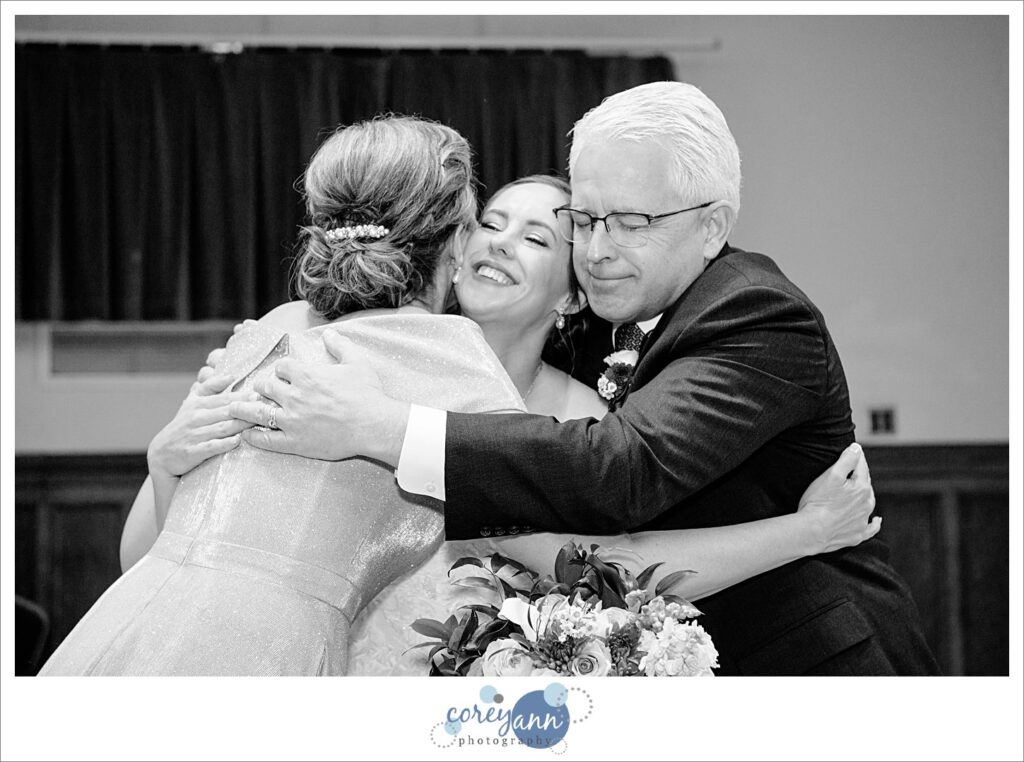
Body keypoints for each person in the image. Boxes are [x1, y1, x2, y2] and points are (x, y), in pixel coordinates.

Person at [232, 83, 941, 675]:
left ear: (712, 225)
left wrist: (383, 427)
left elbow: (621, 470)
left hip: (816, 668)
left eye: (629, 222)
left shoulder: (757, 315)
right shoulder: (597, 323)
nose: (597, 251)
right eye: (586, 220)